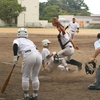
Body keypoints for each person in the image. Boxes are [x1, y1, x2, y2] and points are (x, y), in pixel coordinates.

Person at [12, 28, 42, 100]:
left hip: (28, 55)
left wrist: (15, 56)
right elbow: (36, 48)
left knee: (25, 76)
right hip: (38, 55)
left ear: (18, 34)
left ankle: (26, 96)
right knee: (35, 76)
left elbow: (15, 45)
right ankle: (35, 96)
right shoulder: (29, 41)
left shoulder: (17, 40)